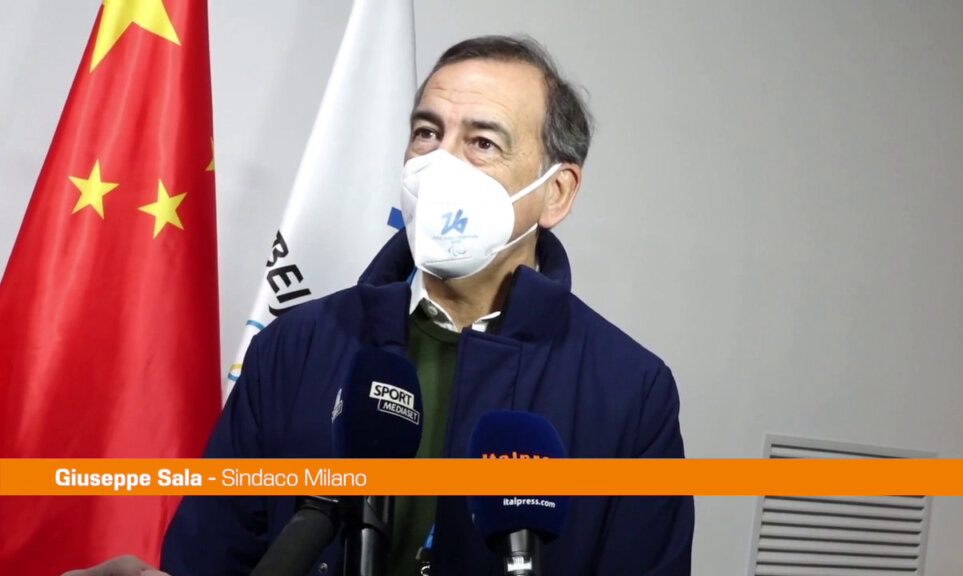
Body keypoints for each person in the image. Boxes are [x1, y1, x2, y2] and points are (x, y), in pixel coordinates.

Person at [156, 35, 695, 575]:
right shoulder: (295, 346)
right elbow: (210, 554)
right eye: (427, 133)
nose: (440, 163)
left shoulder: (631, 393)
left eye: (482, 142)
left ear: (556, 193)